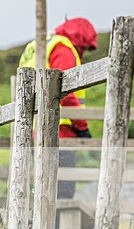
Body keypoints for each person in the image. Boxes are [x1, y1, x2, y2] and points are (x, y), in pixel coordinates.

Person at [19, 17, 97, 198]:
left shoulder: (35, 46)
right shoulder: (63, 48)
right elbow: (65, 92)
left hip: (32, 130)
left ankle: (41, 225)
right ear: (81, 38)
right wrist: (82, 126)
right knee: (62, 190)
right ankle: (59, 227)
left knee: (41, 186)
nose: (84, 51)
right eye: (86, 46)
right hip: (60, 131)